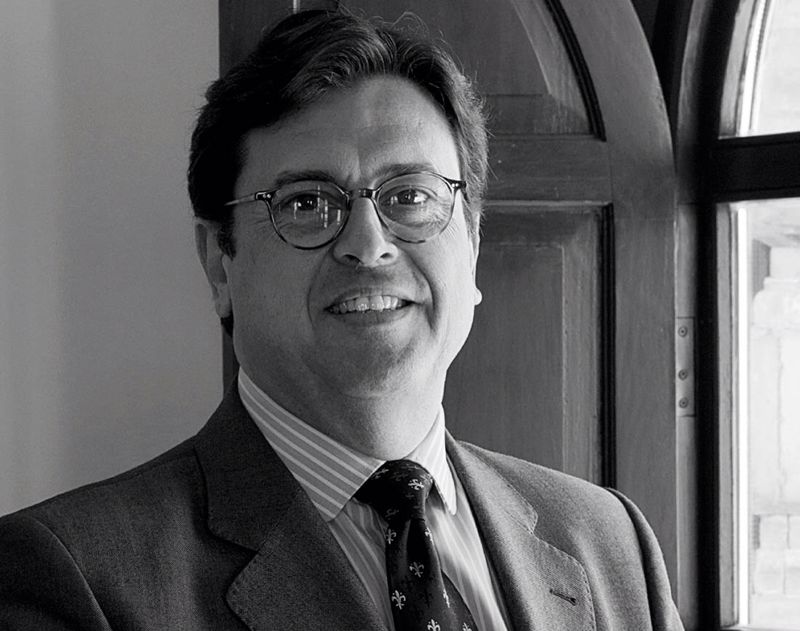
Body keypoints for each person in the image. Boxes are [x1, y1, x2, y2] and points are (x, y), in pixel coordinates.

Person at [0, 9, 684, 630]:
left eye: (410, 196)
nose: (368, 243)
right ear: (219, 265)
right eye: (305, 203)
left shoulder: (609, 542)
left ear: (472, 244)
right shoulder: (72, 581)